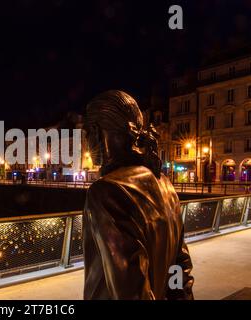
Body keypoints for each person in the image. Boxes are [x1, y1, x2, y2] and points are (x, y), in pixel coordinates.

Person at [83, 90, 194, 300]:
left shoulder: (107, 192)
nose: (88, 141)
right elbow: (179, 267)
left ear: (96, 132)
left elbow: (130, 290)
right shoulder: (165, 185)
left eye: (87, 133)